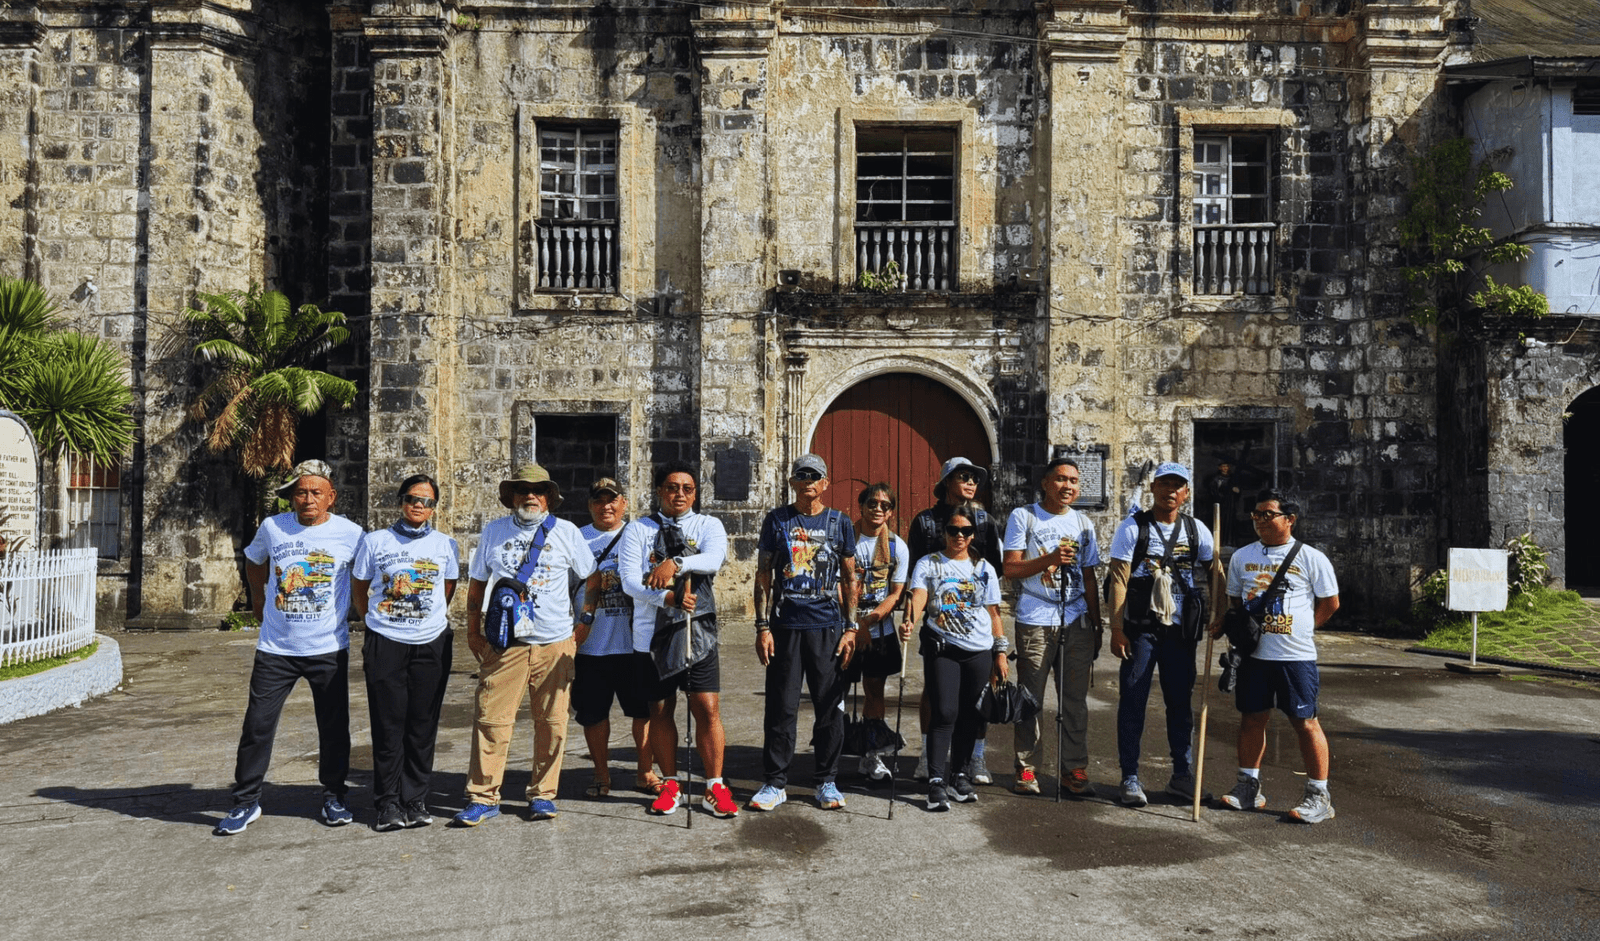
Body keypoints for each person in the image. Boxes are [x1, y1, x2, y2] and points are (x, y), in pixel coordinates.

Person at [215, 459, 364, 835]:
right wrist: (259, 600)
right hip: (276, 649)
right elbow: (253, 559)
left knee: (333, 728)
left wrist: (359, 613)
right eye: (301, 492)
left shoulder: (351, 533)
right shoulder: (273, 527)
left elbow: (364, 576)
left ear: (331, 497)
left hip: (328, 647)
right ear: (291, 497)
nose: (308, 499)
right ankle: (246, 801)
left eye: (316, 492)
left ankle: (333, 795)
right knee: (257, 726)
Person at [453, 464, 595, 826]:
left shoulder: (566, 533)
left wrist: (584, 622)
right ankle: (483, 796)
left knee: (553, 722)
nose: (530, 495)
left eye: (538, 490)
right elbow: (478, 584)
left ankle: (543, 794)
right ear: (512, 497)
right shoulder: (494, 532)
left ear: (548, 497)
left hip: (554, 642)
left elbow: (591, 577)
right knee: (491, 720)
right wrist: (472, 631)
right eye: (522, 490)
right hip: (506, 644)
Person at [618, 461, 738, 818]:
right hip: (651, 634)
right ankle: (670, 783)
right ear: (659, 491)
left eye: (687, 488)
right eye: (672, 487)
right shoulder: (638, 530)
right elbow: (629, 581)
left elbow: (714, 558)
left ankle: (714, 786)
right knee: (660, 710)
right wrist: (666, 598)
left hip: (695, 630)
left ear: (695, 493)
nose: (680, 494)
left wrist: (676, 563)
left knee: (707, 708)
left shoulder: (707, 525)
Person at [1212, 490, 1341, 823]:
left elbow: (1330, 604)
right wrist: (1226, 625)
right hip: (1254, 655)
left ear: (1290, 519)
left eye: (1268, 514)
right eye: (1256, 515)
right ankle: (1248, 786)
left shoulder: (1312, 558)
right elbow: (1236, 604)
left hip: (1295, 657)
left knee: (1305, 722)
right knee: (1252, 718)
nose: (1260, 521)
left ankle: (1319, 795)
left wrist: (1303, 629)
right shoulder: (1241, 557)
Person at [750, 454, 859, 811]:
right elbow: (764, 574)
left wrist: (851, 627)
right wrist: (762, 626)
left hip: (826, 626)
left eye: (815, 476)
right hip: (785, 625)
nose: (808, 481)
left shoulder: (839, 522)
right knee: (781, 707)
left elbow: (849, 577)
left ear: (826, 483)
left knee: (829, 707)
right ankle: (775, 782)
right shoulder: (777, 520)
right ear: (792, 482)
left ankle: (826, 780)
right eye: (802, 475)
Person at [352, 473, 460, 831]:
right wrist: (375, 621)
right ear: (401, 500)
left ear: (434, 508)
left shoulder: (445, 544)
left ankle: (415, 799)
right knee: (388, 724)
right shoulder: (375, 541)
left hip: (431, 642)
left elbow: (447, 587)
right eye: (414, 498)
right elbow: (361, 585)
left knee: (422, 724)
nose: (420, 505)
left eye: (428, 501)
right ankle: (387, 804)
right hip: (386, 640)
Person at [1106, 461, 1214, 808]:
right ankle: (1130, 776)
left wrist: (1222, 615)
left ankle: (1182, 775)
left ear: (1186, 493)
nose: (1170, 491)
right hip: (1141, 629)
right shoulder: (1133, 527)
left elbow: (1216, 572)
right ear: (1153, 488)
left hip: (1181, 631)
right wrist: (1117, 629)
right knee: (1134, 701)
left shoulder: (1198, 530)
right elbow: (1119, 578)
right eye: (1164, 484)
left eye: (1177, 486)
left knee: (1180, 705)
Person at [1002, 458, 1102, 796]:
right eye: (1060, 479)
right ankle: (1027, 768)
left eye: (1074, 481)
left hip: (1075, 618)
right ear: (1046, 483)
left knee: (1074, 700)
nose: (1068, 486)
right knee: (1031, 698)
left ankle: (1074, 767)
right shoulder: (1024, 516)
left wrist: (1096, 620)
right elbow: (1011, 568)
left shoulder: (1083, 523)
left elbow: (1089, 575)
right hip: (1036, 616)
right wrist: (1049, 560)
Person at [908, 457, 1004, 784]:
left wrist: (996, 635)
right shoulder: (924, 522)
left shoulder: (985, 521)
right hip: (938, 623)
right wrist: (914, 614)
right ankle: (926, 755)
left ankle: (975, 758)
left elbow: (993, 572)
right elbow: (915, 575)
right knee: (936, 693)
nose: (971, 482)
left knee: (977, 696)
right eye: (964, 476)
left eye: (975, 478)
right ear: (947, 480)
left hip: (975, 624)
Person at [571, 477, 653, 799]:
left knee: (643, 712)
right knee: (593, 714)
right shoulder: (577, 538)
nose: (606, 505)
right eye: (599, 500)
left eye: (613, 499)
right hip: (591, 645)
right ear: (590, 505)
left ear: (624, 504)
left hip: (633, 643)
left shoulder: (640, 535)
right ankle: (601, 774)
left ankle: (645, 773)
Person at [842, 483, 909, 782]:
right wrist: (854, 624)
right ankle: (834, 747)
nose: (878, 509)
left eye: (885, 505)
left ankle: (872, 755)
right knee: (836, 691)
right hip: (845, 627)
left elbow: (896, 594)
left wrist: (868, 623)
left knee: (874, 691)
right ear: (861, 506)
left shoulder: (897, 546)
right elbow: (836, 585)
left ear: (891, 512)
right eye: (872, 503)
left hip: (878, 629)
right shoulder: (845, 540)